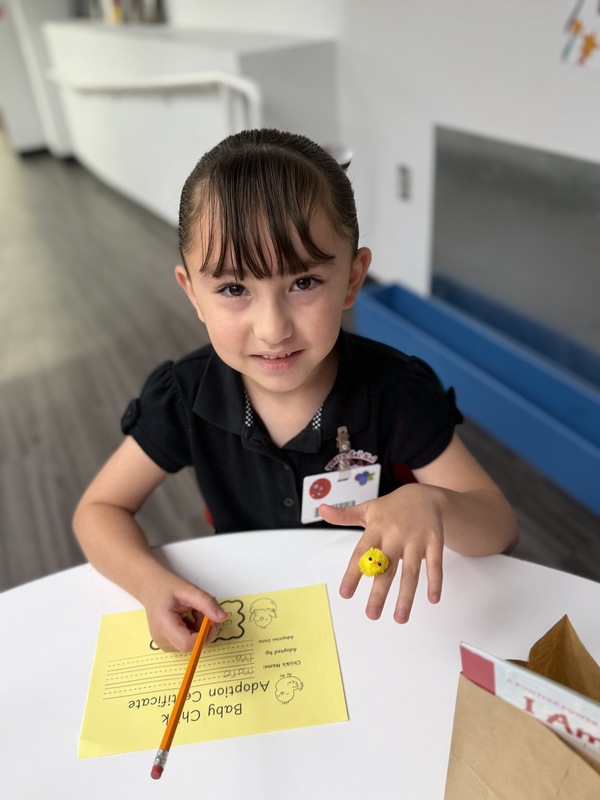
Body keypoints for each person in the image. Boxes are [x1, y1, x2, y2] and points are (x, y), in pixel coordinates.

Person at [73, 128, 518, 652]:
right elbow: (98, 510)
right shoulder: (183, 395)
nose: (272, 328)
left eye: (303, 283)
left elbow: (499, 526)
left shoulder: (397, 392)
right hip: (249, 619)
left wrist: (434, 504)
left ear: (353, 280)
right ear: (192, 293)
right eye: (234, 289)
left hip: (372, 622)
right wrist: (149, 584)